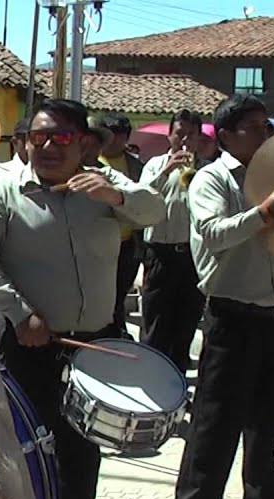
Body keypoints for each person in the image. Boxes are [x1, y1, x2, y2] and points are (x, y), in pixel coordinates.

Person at [0, 98, 164, 499]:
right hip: (32, 344)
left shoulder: (106, 187)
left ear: (84, 144)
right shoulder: (4, 190)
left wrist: (114, 197)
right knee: (29, 444)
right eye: (39, 137)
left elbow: (155, 210)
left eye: (62, 138)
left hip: (94, 341)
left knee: (83, 444)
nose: (48, 146)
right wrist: (20, 313)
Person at [174, 94, 274, 499]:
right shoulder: (211, 180)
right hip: (232, 312)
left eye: (266, 126)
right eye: (254, 128)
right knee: (217, 415)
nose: (265, 135)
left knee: (270, 411)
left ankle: (263, 490)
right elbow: (214, 235)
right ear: (227, 136)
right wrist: (265, 212)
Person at [137, 109, 209, 372]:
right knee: (155, 324)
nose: (185, 140)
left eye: (191, 134)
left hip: (191, 256)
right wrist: (168, 171)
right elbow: (141, 199)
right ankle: (150, 384)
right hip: (160, 254)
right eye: (180, 133)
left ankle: (176, 387)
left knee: (185, 325)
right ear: (170, 135)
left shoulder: (207, 170)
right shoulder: (154, 165)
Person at [97, 113, 147, 338]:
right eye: (111, 135)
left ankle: (117, 332)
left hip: (127, 244)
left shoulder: (137, 166)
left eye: (120, 136)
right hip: (98, 244)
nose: (114, 141)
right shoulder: (91, 162)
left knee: (119, 293)